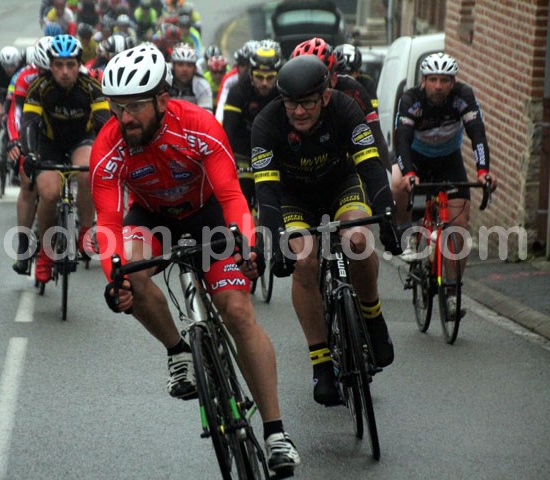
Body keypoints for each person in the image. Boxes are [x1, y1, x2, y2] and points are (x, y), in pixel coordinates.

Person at [90, 44, 301, 474]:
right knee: (131, 273)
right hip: (151, 218)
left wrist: (247, 244)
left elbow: (232, 196)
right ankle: (177, 350)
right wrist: (115, 279)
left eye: (134, 106)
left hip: (208, 215)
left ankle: (276, 433)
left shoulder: (198, 126)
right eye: (117, 107)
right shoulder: (109, 146)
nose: (124, 118)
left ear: (162, 100)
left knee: (238, 312)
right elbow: (108, 224)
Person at [251, 55, 400, 406]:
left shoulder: (346, 108)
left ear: (326, 96)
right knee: (304, 261)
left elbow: (371, 165)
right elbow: (266, 193)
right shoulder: (267, 123)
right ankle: (321, 365)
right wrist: (274, 243)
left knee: (358, 240)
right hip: (293, 197)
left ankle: (372, 316)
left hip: (340, 186)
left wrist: (387, 215)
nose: (299, 112)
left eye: (307, 103)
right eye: (291, 103)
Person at [392, 53, 498, 302]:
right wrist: (409, 174)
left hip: (449, 161)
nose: (438, 86)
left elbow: (478, 134)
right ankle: (408, 233)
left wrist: (483, 171)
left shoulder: (463, 97)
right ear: (423, 80)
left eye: (444, 80)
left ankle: (452, 291)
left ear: (453, 82)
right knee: (397, 183)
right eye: (433, 79)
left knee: (459, 227)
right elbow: (402, 141)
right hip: (416, 159)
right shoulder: (411, 99)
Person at [21, 34, 110, 284]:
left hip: (81, 140)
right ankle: (46, 253)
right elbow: (29, 124)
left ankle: (85, 231)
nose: (64, 71)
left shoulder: (90, 86)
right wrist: (29, 153)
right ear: (50, 66)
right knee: (49, 194)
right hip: (50, 144)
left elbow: (104, 124)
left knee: (88, 172)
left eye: (70, 65)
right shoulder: (39, 87)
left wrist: (111, 152)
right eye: (58, 65)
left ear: (79, 64)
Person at [292, 38, 391, 174]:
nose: (309, 88)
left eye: (317, 80)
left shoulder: (353, 90)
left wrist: (385, 175)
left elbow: (376, 137)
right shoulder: (284, 93)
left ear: (333, 79)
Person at [6, 37, 53, 274]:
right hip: (32, 132)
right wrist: (16, 141)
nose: (47, 75)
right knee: (28, 185)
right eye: (42, 70)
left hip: (61, 133)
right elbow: (16, 114)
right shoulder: (26, 77)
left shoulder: (70, 74)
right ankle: (23, 246)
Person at [222, 45, 282, 210]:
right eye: (259, 77)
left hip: (272, 148)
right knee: (243, 189)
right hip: (244, 148)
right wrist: (229, 162)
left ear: (278, 76)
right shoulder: (238, 90)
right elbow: (229, 129)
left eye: (270, 78)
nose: (264, 83)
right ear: (250, 74)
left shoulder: (283, 91)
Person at [214, 40, 257, 124]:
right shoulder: (229, 78)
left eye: (250, 65)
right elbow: (221, 105)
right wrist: (218, 124)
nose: (246, 69)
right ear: (236, 66)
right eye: (242, 65)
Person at [168, 42, 212, 111]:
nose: (185, 69)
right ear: (173, 66)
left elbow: (207, 114)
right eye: (180, 64)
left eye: (189, 65)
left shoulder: (202, 85)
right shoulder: (163, 82)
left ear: (195, 68)